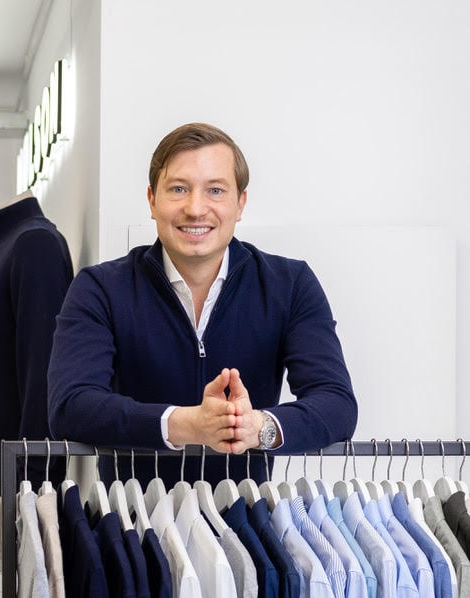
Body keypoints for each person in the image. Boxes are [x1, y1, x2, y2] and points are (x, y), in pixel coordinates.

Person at [47, 122, 356, 483]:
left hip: (246, 524)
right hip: (132, 525)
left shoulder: (290, 285)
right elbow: (70, 405)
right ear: (152, 200)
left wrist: (258, 427)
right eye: (178, 189)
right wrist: (185, 425)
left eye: (215, 190)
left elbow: (337, 403)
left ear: (240, 203)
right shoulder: (100, 288)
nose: (196, 209)